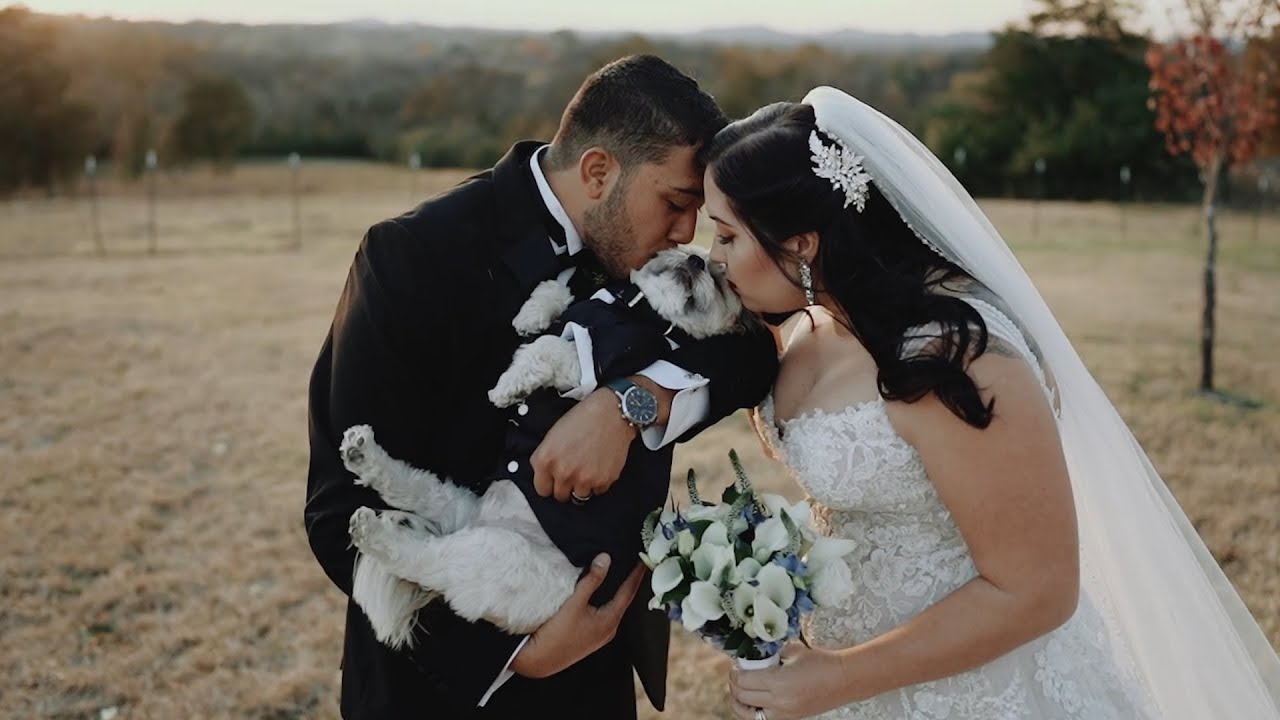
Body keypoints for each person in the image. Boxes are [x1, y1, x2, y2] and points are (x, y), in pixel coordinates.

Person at [704, 88, 1280, 719]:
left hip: (978, 688)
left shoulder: (953, 364)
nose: (714, 258)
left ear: (802, 242)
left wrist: (839, 678)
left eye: (728, 235)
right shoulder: (807, 328)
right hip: (843, 678)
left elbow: (1037, 589)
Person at [303, 55, 778, 720]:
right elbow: (337, 507)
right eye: (675, 203)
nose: (684, 234)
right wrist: (512, 657)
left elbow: (753, 353)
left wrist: (631, 403)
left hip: (596, 671)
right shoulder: (408, 259)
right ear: (597, 172)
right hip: (438, 690)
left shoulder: (660, 265)